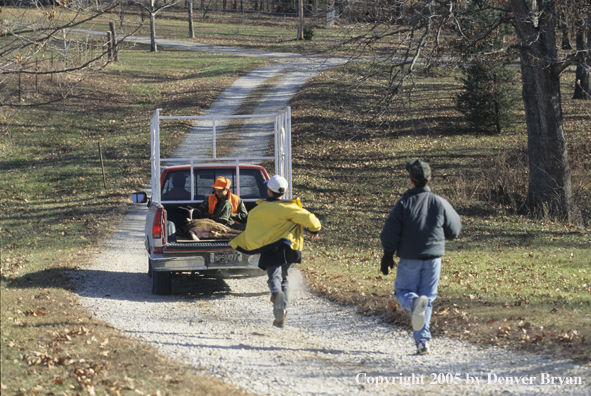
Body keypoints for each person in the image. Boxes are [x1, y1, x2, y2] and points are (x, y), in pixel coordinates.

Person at [380, 159, 462, 355]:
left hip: (409, 258)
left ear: (411, 180)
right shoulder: (440, 202)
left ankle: (415, 305)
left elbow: (389, 233)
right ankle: (423, 342)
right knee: (427, 300)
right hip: (434, 259)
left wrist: (387, 254)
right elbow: (454, 230)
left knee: (403, 293)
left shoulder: (403, 203)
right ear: (430, 178)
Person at [230, 175, 321, 328]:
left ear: (269, 191)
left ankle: (275, 293)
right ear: (283, 192)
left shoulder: (257, 210)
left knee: (274, 276)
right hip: (287, 249)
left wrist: (238, 242)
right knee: (284, 277)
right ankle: (282, 314)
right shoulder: (290, 208)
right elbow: (311, 219)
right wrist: (315, 229)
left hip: (269, 249)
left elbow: (251, 231)